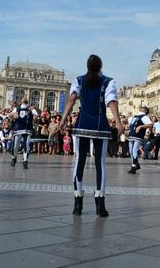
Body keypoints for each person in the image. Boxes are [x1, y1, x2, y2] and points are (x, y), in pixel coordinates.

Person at [59, 55, 123, 217]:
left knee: (79, 161)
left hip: (82, 125)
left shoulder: (79, 80)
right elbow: (112, 102)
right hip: (100, 126)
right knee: (100, 163)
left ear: (87, 65)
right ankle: (100, 204)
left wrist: (63, 119)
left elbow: (72, 99)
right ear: (101, 65)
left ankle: (77, 203)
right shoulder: (108, 81)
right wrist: (118, 122)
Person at [9, 98, 38, 169]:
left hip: (27, 129)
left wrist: (35, 107)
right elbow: (9, 116)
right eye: (23, 98)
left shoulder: (30, 109)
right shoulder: (17, 109)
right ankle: (14, 158)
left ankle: (25, 161)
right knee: (16, 145)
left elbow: (37, 115)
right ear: (21, 101)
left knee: (26, 145)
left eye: (26, 98)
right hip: (18, 129)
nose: (24, 99)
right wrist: (12, 114)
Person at [127, 103, 153, 174]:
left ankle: (133, 166)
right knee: (130, 151)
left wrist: (141, 126)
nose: (141, 108)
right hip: (131, 135)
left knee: (135, 149)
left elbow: (150, 125)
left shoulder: (145, 117)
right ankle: (136, 164)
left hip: (138, 136)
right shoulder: (135, 116)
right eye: (141, 107)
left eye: (143, 107)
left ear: (146, 110)